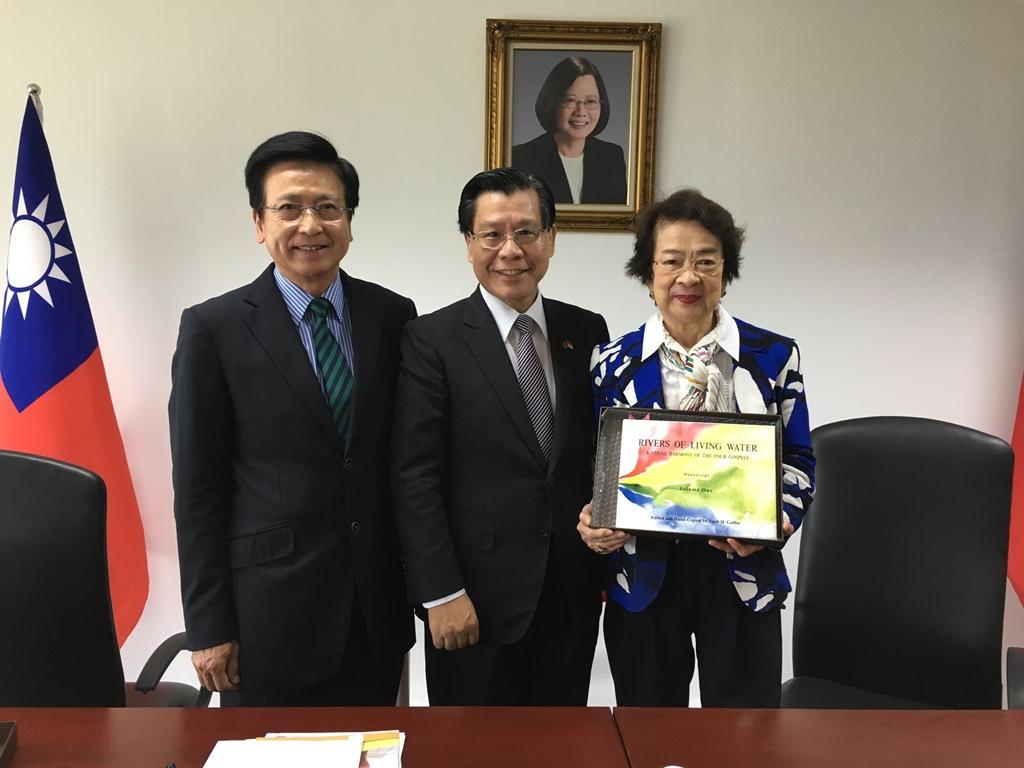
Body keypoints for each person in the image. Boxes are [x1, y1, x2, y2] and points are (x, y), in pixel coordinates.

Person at [169, 131, 416, 706]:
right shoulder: (214, 328)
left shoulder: (393, 315)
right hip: (267, 617)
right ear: (259, 223)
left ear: (349, 221)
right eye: (289, 208)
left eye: (328, 208)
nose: (311, 225)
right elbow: (197, 491)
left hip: (373, 610)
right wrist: (209, 628)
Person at [578, 188, 815, 707]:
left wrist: (774, 523)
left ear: (725, 272)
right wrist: (595, 518)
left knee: (742, 737)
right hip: (643, 575)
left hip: (740, 571)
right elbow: (595, 465)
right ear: (648, 275)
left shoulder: (772, 357)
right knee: (649, 730)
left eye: (706, 261)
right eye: (671, 262)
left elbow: (799, 461)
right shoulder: (611, 362)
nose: (688, 277)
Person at [391, 167, 609, 705]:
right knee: (468, 754)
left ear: (551, 238)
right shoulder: (431, 339)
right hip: (472, 599)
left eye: (526, 232)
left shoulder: (587, 331)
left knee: (561, 750)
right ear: (469, 244)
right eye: (491, 234)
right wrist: (440, 592)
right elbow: (414, 475)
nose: (510, 249)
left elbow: (603, 451)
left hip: (570, 594)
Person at [511, 56, 627, 205]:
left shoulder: (612, 156)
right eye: (570, 100)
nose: (581, 112)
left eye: (590, 101)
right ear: (552, 103)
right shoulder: (522, 158)